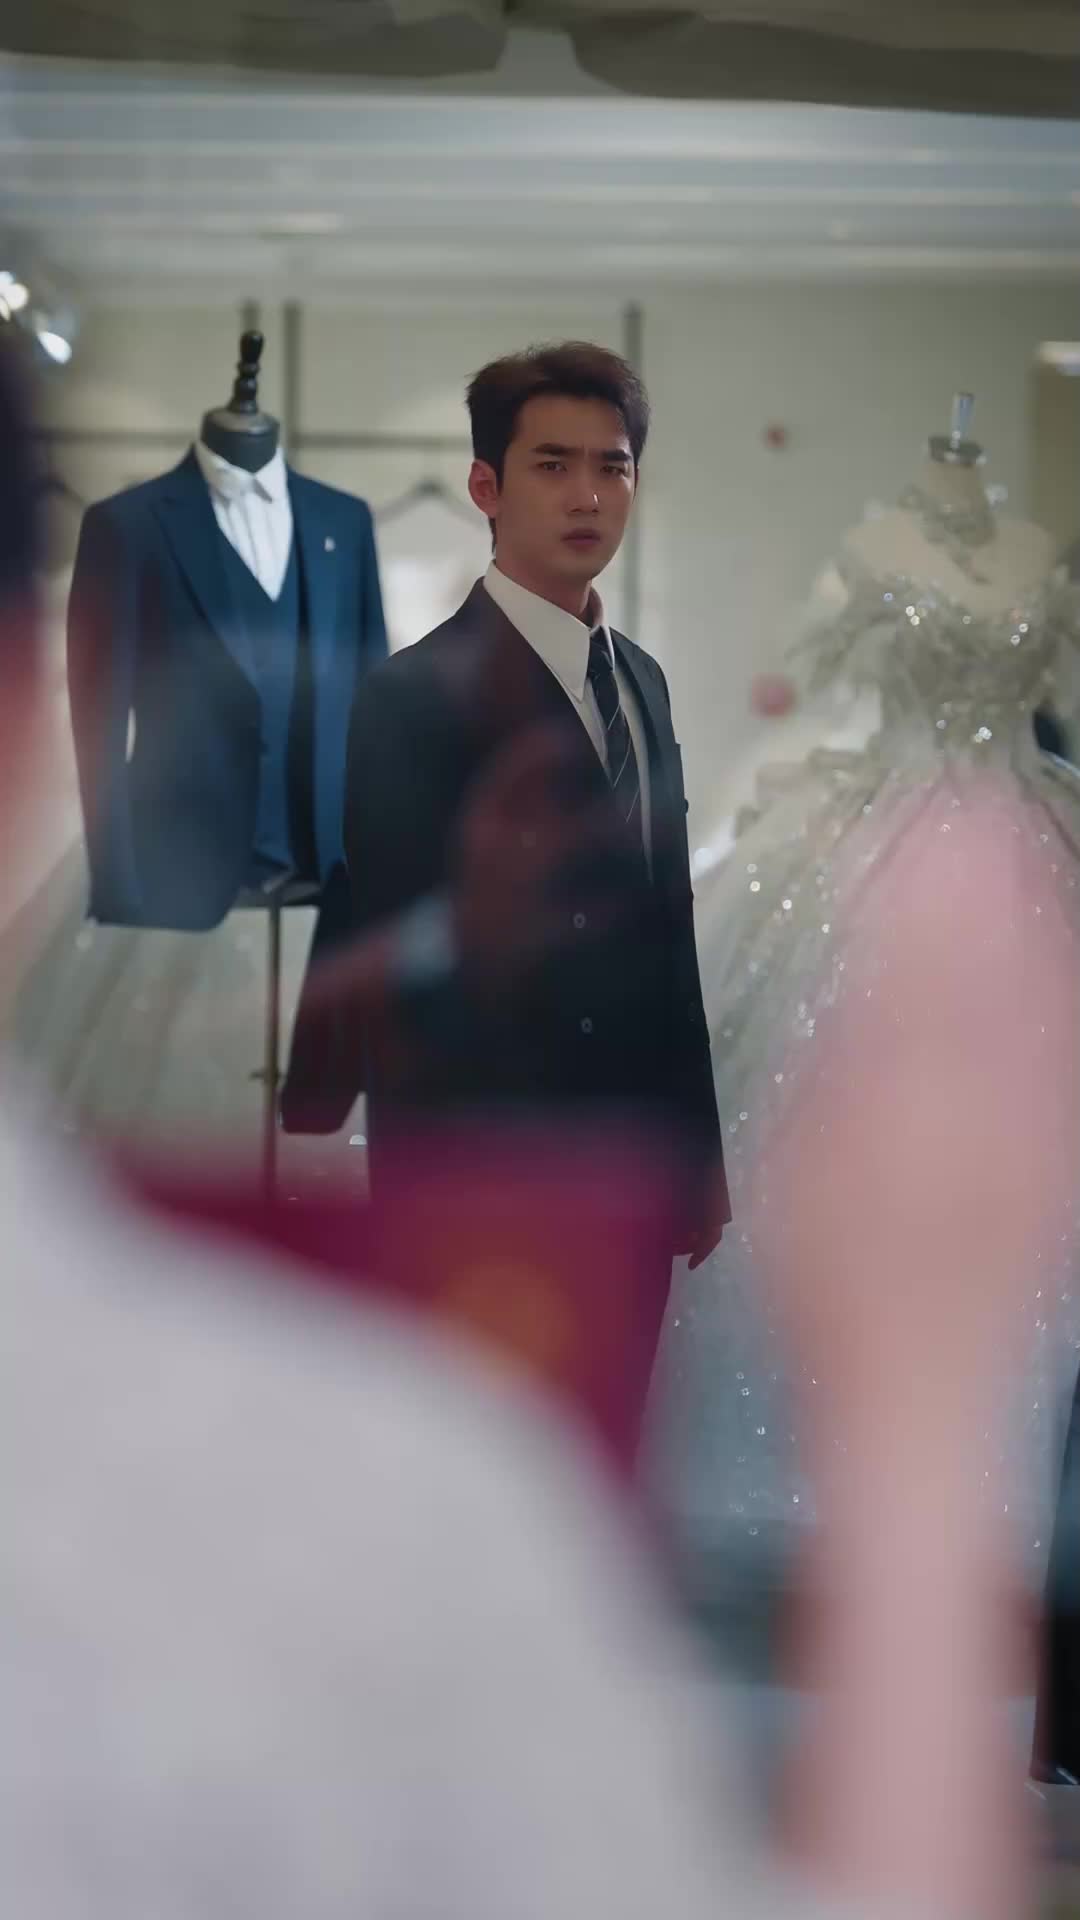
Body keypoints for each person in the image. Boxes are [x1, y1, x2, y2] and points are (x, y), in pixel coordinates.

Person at [311, 341, 728, 1326]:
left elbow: (665, 927)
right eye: (553, 465)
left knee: (621, 1412)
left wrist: (697, 1148)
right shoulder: (412, 696)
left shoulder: (640, 679)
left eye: (612, 467)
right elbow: (407, 961)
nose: (587, 496)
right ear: (485, 487)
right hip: (487, 1171)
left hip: (635, 1159)